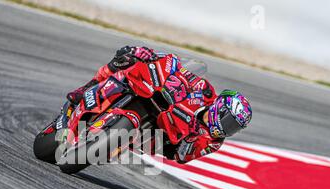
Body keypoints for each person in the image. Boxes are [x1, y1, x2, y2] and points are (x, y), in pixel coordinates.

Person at [65, 46, 252, 163]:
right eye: (230, 122)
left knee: (127, 146)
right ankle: (86, 88)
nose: (229, 129)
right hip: (158, 98)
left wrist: (190, 138)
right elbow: (182, 71)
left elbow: (182, 157)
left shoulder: (214, 142)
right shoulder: (206, 91)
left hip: (162, 138)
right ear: (220, 108)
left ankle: (111, 143)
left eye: (234, 127)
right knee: (126, 59)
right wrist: (151, 56)